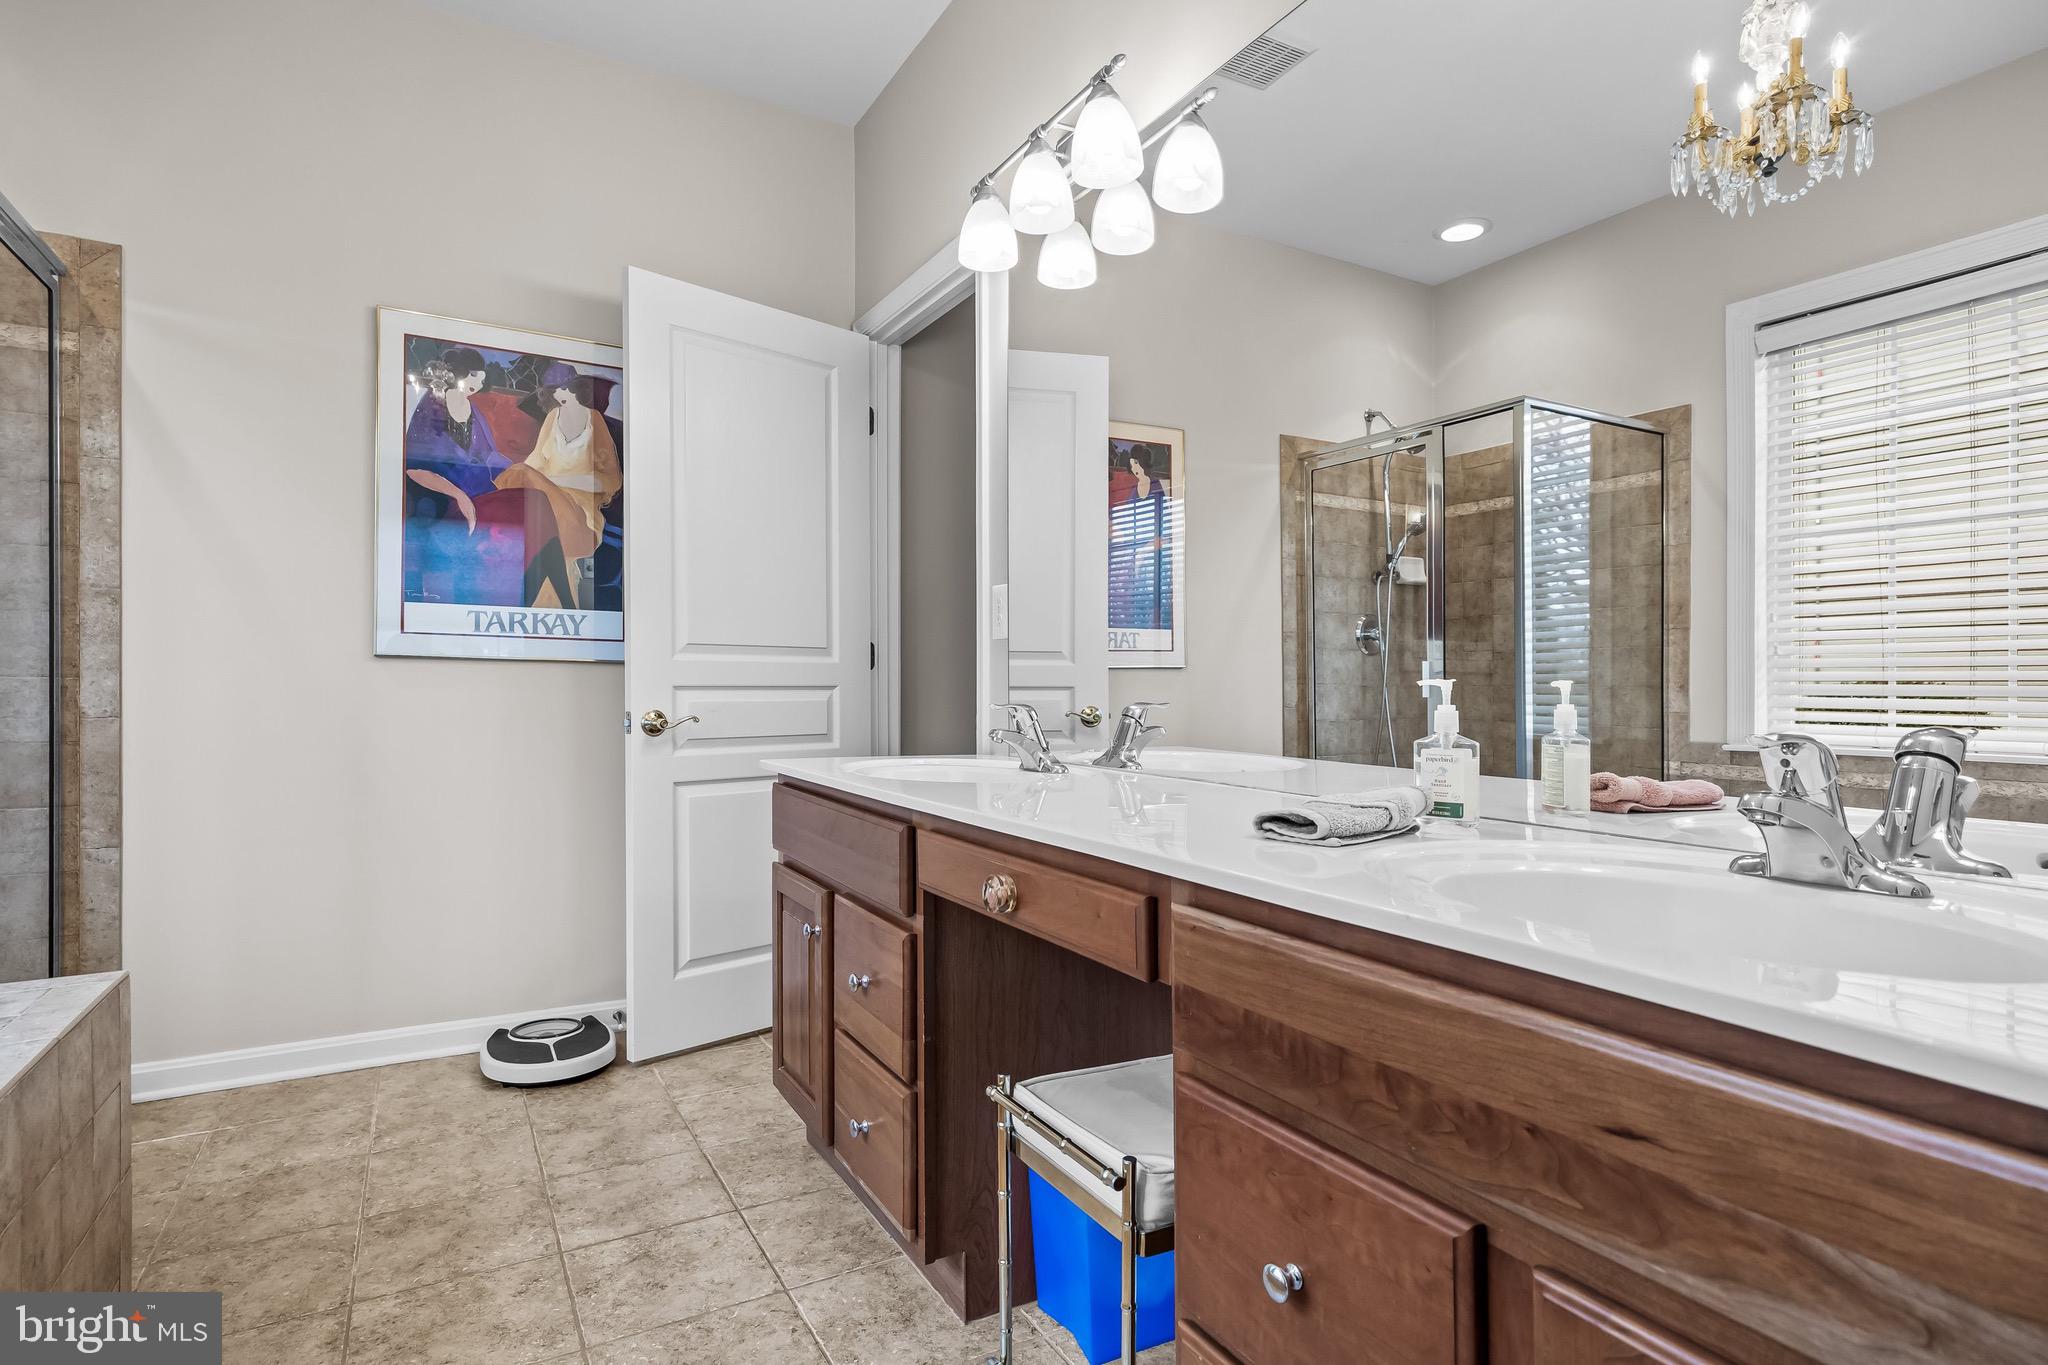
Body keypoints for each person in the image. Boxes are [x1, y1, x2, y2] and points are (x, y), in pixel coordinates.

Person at [494, 362, 623, 608]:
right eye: (552, 391)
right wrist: (538, 481)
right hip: (546, 497)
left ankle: (555, 609)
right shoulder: (553, 418)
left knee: (548, 525)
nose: (553, 395)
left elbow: (608, 480)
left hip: (582, 509)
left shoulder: (595, 423)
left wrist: (556, 481)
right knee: (522, 494)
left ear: (574, 392)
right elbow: (536, 462)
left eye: (559, 389)